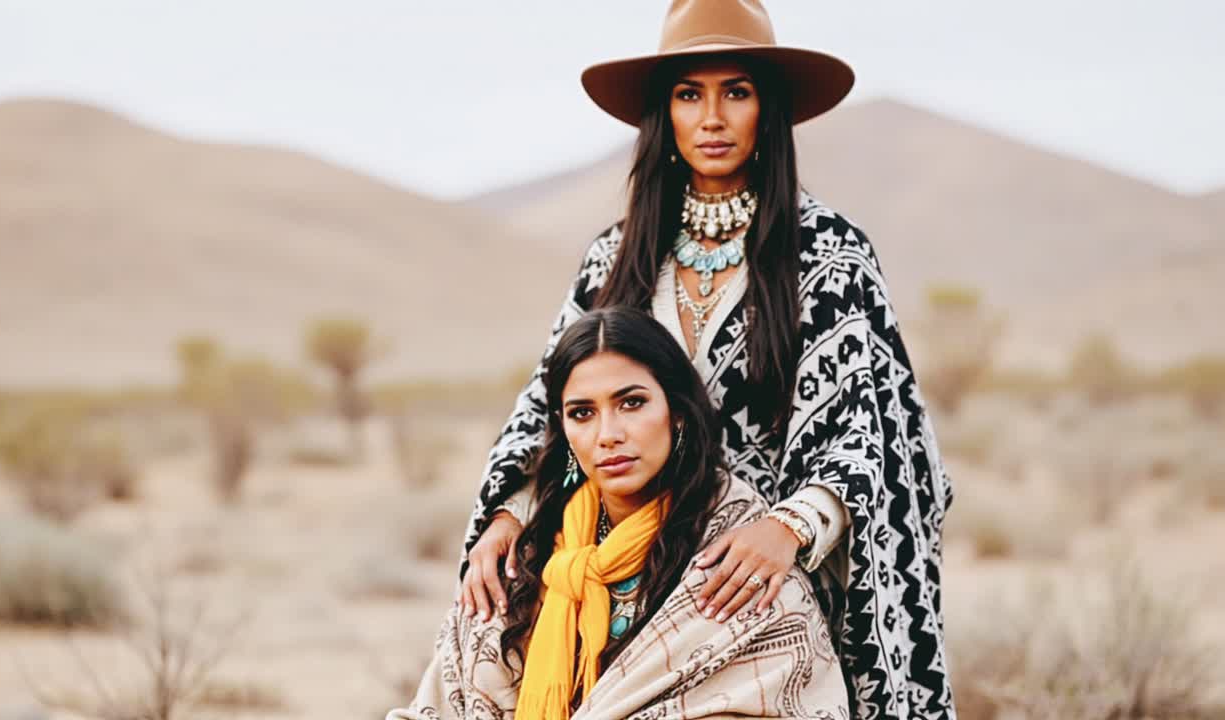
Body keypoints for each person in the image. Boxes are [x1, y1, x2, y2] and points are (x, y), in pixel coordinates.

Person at [459, 2, 957, 718]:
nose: (713, 117)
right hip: (625, 552)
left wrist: (786, 529)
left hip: (755, 578)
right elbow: (551, 404)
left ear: (768, 109)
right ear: (666, 113)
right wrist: (507, 514)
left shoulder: (829, 255)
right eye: (690, 94)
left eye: (738, 91)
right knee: (492, 603)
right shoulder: (615, 255)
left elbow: (873, 433)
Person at [390, 307, 850, 720]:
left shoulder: (743, 560)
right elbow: (444, 700)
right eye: (582, 413)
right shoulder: (522, 556)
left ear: (678, 413)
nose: (607, 434)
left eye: (631, 403)